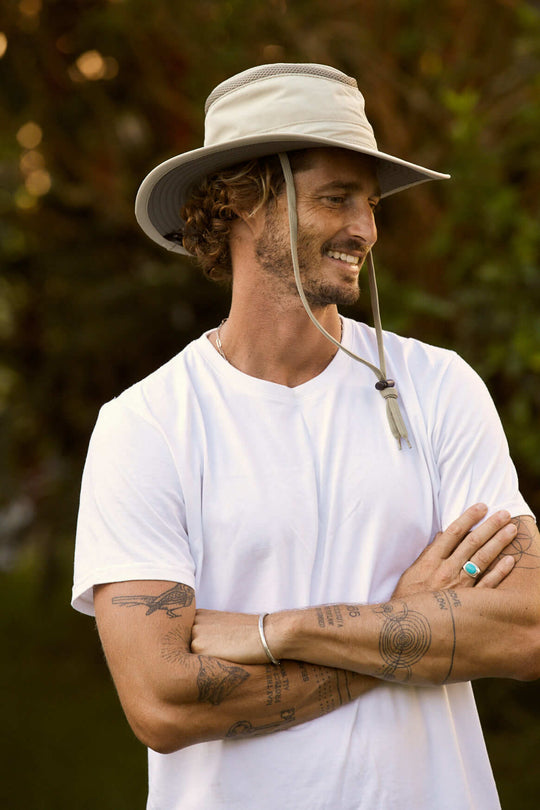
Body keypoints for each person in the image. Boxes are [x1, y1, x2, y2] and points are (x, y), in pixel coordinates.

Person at [72, 63, 540, 810]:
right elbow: (162, 704)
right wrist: (412, 618)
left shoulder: (440, 387)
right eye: (335, 198)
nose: (365, 228)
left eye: (371, 203)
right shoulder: (147, 425)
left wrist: (272, 630)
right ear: (240, 205)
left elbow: (526, 629)